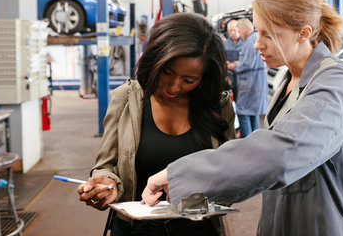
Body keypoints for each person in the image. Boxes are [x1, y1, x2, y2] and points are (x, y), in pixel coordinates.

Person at [141, 0, 343, 236]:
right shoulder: (289, 81)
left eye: (269, 35)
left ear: (304, 33)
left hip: (326, 226)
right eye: (257, 32)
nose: (257, 44)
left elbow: (282, 152)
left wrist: (181, 176)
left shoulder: (337, 79)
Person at [77, 13, 236, 236]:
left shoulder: (218, 106)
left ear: (205, 77)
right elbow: (106, 165)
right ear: (155, 60)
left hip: (197, 228)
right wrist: (106, 185)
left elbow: (231, 171)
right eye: (166, 72)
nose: (173, 86)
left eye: (188, 80)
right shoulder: (127, 98)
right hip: (135, 229)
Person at [227, 18, 267, 137]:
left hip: (250, 83)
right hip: (255, 82)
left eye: (238, 31)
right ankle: (254, 141)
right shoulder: (255, 38)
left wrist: (232, 66)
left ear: (244, 29)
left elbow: (247, 65)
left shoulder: (250, 41)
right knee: (253, 112)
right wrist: (238, 63)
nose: (238, 34)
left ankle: (246, 143)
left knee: (242, 111)